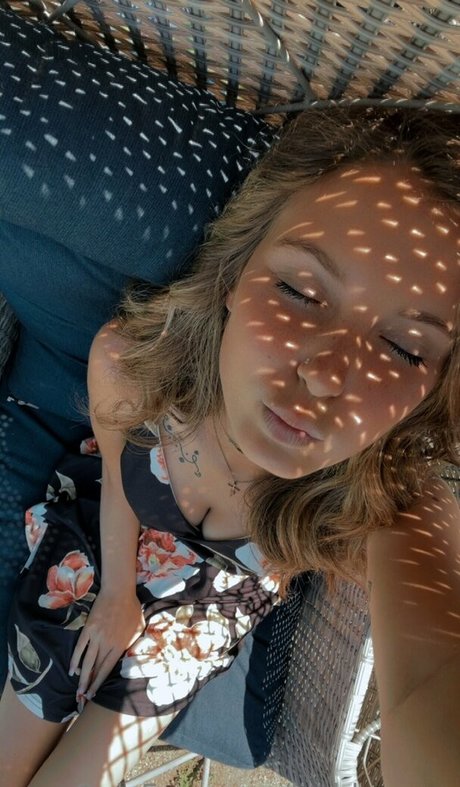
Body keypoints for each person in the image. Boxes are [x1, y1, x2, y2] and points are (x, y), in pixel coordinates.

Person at [0, 101, 459, 787]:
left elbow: (436, 683)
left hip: (201, 619)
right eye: (299, 291)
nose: (326, 375)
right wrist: (118, 595)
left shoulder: (380, 494)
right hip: (102, 548)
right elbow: (117, 481)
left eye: (402, 347)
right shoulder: (135, 367)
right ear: (233, 277)